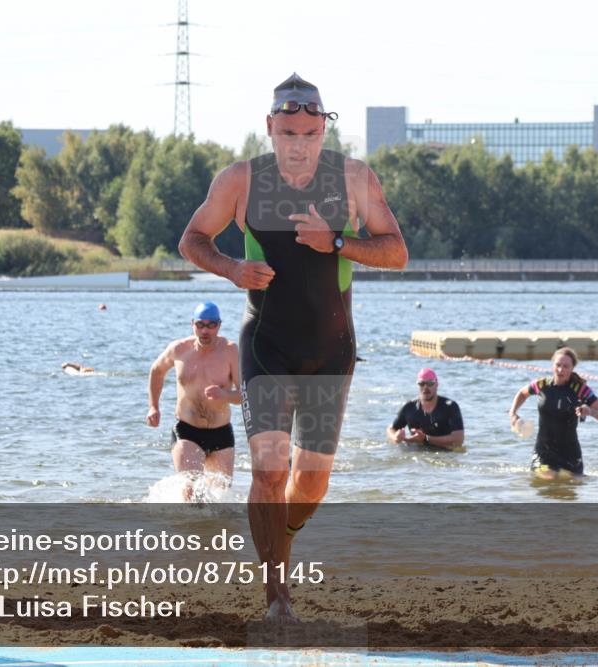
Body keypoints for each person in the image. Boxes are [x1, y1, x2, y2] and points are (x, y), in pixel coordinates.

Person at [177, 73, 407, 622]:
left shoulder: (353, 179)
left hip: (331, 350)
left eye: (309, 132)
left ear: (324, 130)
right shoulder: (241, 181)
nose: (299, 144)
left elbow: (397, 252)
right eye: (288, 133)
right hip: (267, 344)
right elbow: (191, 240)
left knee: (311, 480)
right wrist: (233, 269)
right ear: (270, 128)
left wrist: (336, 242)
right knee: (268, 469)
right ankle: (276, 594)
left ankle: (281, 541)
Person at [146, 302, 241, 499]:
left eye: (211, 325)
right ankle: (189, 529)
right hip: (187, 430)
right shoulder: (179, 349)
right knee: (192, 492)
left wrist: (224, 396)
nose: (205, 330)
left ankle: (215, 531)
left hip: (221, 433)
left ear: (219, 325)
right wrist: (153, 407)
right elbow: (156, 371)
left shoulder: (230, 351)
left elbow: (246, 395)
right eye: (200, 324)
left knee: (221, 498)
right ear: (192, 324)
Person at [508, 347, 598, 479]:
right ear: (552, 365)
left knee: (569, 491)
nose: (561, 370)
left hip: (570, 452)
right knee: (547, 480)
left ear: (572, 368)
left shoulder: (580, 389)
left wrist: (590, 411)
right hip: (543, 451)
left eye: (566, 366)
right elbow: (522, 393)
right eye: (558, 365)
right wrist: (513, 413)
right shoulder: (541, 384)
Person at [386, 368, 464, 450]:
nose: (426, 387)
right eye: (422, 383)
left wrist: (426, 439)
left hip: (444, 455)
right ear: (417, 385)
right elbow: (391, 429)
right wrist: (395, 437)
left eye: (430, 383)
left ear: (437, 384)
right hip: (417, 456)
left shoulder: (450, 406)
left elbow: (458, 440)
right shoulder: (409, 407)